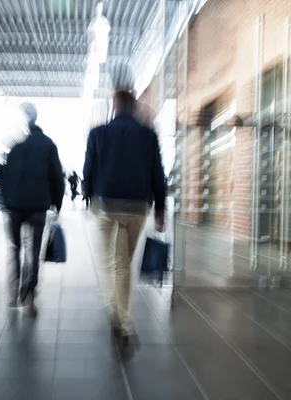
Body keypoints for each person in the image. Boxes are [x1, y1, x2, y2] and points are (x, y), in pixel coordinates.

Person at [83, 90, 166, 347]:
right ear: (133, 107)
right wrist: (160, 209)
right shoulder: (148, 135)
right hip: (136, 208)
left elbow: (88, 170)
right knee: (123, 264)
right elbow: (157, 174)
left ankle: (119, 315)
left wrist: (88, 196)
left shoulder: (98, 133)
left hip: (106, 205)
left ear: (115, 106)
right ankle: (122, 318)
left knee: (109, 263)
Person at [1, 103, 65, 316]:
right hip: (37, 205)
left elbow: (3, 175)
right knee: (33, 251)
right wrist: (57, 204)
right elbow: (57, 178)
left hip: (14, 206)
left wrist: (6, 201)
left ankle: (12, 293)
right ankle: (29, 297)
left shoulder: (15, 147)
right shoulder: (48, 145)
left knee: (15, 247)